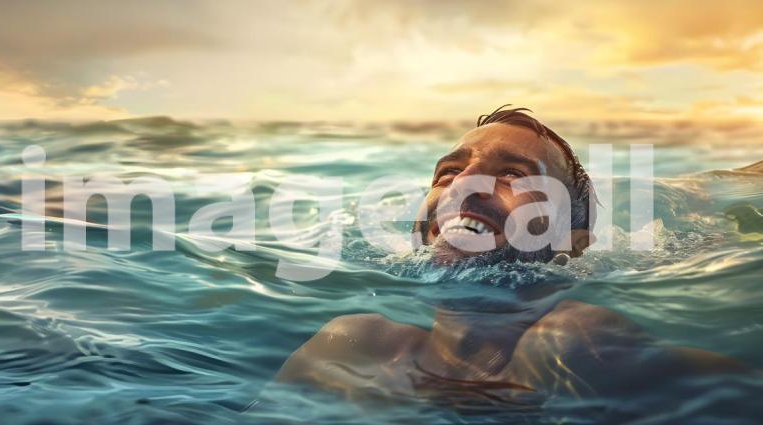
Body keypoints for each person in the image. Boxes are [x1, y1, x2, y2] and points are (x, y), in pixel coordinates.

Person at [273, 106, 744, 408]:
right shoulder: (352, 344)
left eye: (516, 176)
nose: (463, 185)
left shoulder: (572, 343)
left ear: (571, 243)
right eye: (449, 171)